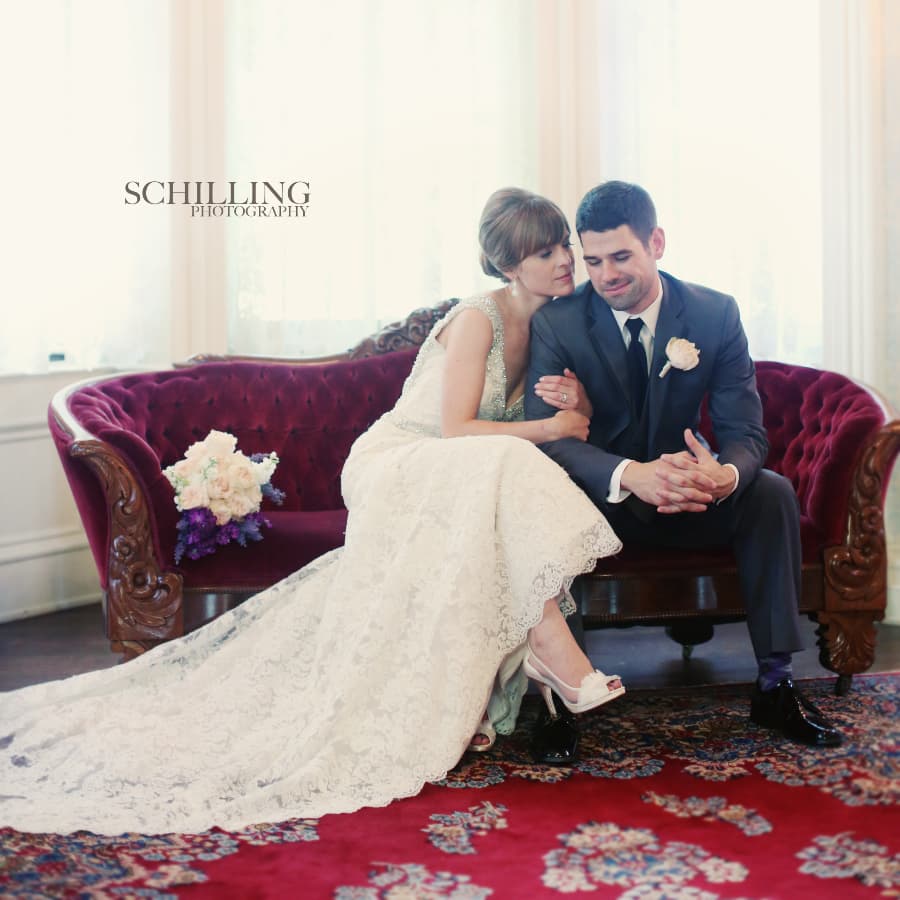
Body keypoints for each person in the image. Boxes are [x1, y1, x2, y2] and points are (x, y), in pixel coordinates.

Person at [0, 188, 625, 836]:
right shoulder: (478, 319)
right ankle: (550, 643)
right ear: (508, 265)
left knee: (495, 491)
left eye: (562, 248)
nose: (564, 262)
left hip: (459, 470)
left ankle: (484, 686)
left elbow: (554, 419)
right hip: (399, 462)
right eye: (545, 252)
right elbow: (460, 429)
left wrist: (570, 400)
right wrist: (551, 431)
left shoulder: (553, 323)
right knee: (508, 464)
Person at [525, 180, 842, 763]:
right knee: (538, 502)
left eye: (622, 257)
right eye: (593, 261)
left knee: (769, 492)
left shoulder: (714, 313)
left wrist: (723, 475)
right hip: (600, 502)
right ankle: (554, 704)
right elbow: (547, 442)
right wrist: (631, 474)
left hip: (691, 493)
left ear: (657, 243)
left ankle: (776, 684)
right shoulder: (559, 324)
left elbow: (747, 433)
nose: (606, 275)